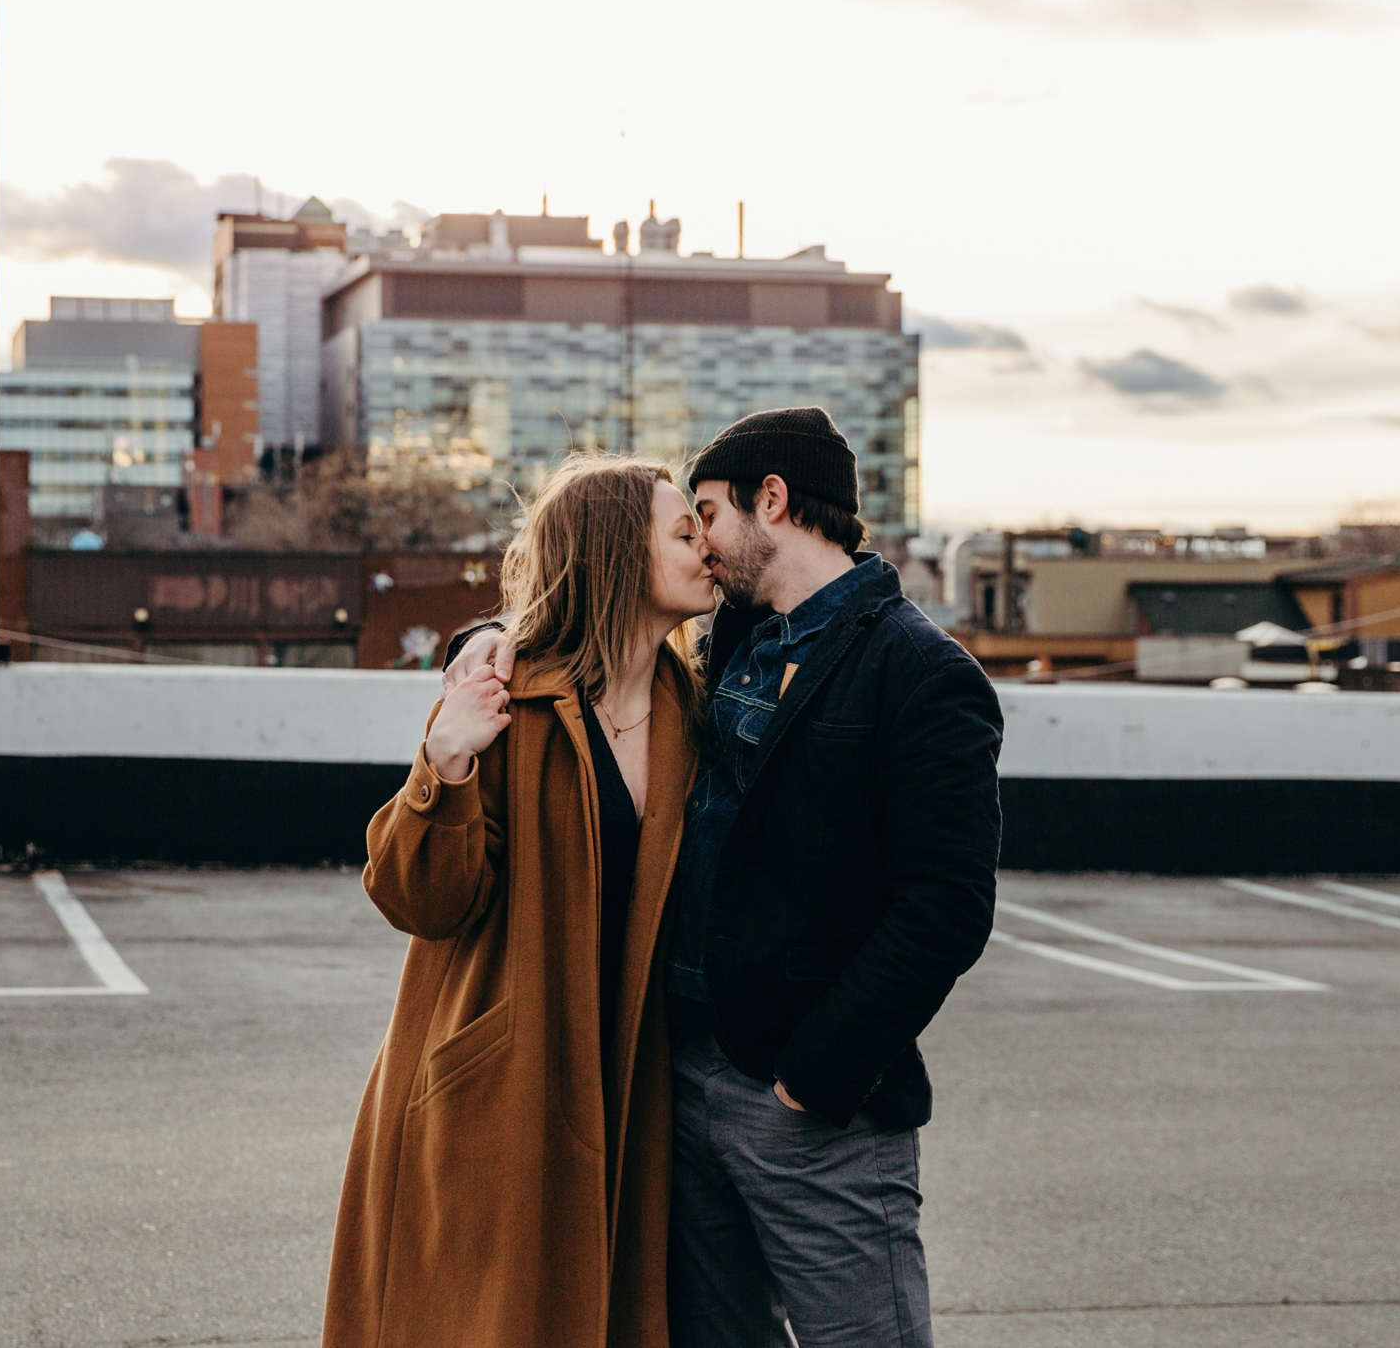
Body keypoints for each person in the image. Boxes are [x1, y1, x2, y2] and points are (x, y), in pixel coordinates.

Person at [449, 407, 1005, 1348]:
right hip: (678, 1080)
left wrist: (812, 1077)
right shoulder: (733, 638)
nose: (700, 543)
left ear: (772, 502)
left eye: (705, 512)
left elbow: (946, 907)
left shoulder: (918, 671)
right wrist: (488, 634)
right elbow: (595, 614)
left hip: (811, 1110)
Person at [324, 454, 718, 1348]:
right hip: (505, 1086)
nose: (704, 547)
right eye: (680, 530)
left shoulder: (695, 712)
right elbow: (418, 899)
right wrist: (447, 765)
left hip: (634, 1083)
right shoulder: (504, 697)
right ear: (619, 553)